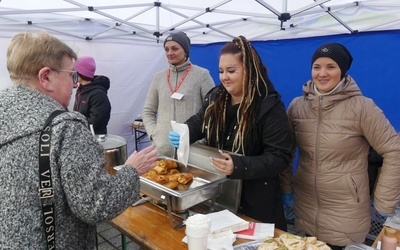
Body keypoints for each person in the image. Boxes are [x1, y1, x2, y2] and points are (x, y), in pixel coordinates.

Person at [0, 32, 158, 249]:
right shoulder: (65, 126)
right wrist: (132, 170)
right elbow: (96, 205)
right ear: (46, 77)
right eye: (71, 75)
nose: (75, 85)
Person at [169, 36, 293, 231]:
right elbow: (199, 121)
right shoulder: (217, 97)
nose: (224, 77)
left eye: (231, 70)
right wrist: (184, 131)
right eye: (221, 71)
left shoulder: (268, 107)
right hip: (219, 192)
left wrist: (239, 165)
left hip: (255, 200)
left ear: (249, 70)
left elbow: (280, 156)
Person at [286, 42, 400, 248]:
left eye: (331, 66)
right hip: (305, 206)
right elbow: (285, 150)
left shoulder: (363, 107)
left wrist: (384, 201)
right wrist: (286, 188)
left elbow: (394, 150)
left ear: (342, 71)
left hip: (346, 212)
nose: (322, 73)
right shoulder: (297, 106)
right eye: (317, 67)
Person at [142, 31, 215, 157]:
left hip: (192, 151)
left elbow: (213, 112)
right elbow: (148, 111)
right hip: (162, 151)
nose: (170, 53)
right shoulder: (159, 77)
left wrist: (202, 140)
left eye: (175, 48)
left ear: (186, 51)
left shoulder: (202, 75)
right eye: (166, 49)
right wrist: (155, 134)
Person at [73, 56, 111, 135]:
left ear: (81, 72)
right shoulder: (81, 89)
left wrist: (74, 126)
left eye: (74, 70)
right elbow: (76, 113)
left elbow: (95, 123)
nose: (72, 73)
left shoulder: (98, 94)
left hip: (94, 139)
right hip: (81, 136)